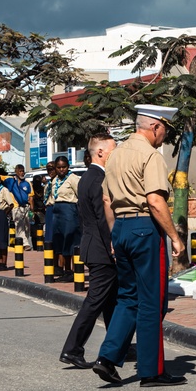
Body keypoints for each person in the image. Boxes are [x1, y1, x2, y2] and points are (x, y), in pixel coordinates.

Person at [93, 105, 186, 388]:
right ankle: (151, 371)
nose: (164, 136)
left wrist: (115, 236)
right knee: (151, 301)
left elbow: (107, 200)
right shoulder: (150, 155)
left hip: (121, 227)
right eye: (164, 130)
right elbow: (155, 201)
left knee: (128, 297)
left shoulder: (116, 154)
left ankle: (107, 358)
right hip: (145, 228)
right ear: (155, 127)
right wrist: (175, 237)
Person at [60, 133, 118, 369]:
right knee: (95, 302)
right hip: (101, 250)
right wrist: (114, 245)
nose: (116, 154)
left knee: (111, 301)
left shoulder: (87, 176)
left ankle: (117, 346)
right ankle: (72, 349)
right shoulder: (98, 178)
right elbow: (103, 218)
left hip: (94, 246)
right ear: (100, 152)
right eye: (113, 150)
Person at [48, 155, 81, 281]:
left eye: (64, 167)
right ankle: (65, 270)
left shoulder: (73, 179)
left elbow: (80, 195)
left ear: (68, 167)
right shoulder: (55, 180)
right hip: (57, 212)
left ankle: (73, 270)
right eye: (59, 167)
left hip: (69, 211)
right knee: (60, 240)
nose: (61, 170)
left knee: (70, 240)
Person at [5, 165, 33, 250]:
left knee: (27, 227)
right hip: (17, 207)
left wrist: (32, 209)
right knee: (19, 225)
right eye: (20, 171)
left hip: (26, 207)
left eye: (23, 171)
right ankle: (25, 244)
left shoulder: (27, 183)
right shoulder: (10, 181)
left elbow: (31, 196)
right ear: (16, 172)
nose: (22, 173)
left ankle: (23, 242)